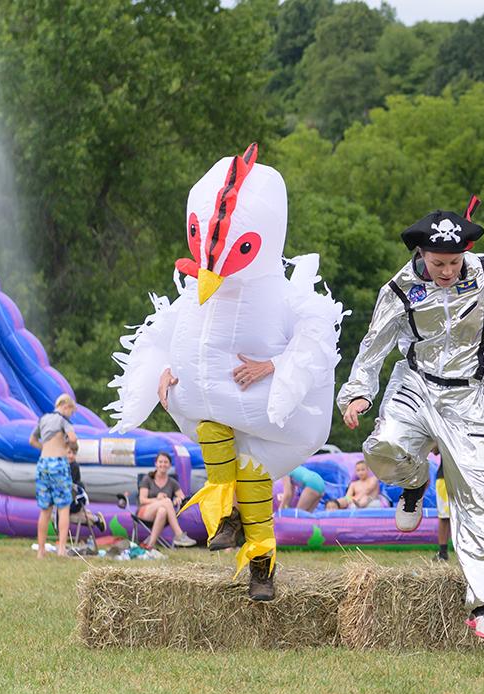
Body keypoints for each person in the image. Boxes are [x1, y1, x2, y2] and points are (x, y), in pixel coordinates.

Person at [109, 145, 343, 602]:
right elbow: (163, 332)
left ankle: (260, 564)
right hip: (216, 413)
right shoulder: (201, 291)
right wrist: (162, 372)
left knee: (255, 476)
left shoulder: (281, 296)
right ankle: (226, 511)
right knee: (216, 433)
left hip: (277, 417)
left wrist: (273, 366)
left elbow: (317, 335)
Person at [338, 201, 484, 646]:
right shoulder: (401, 288)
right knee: (381, 447)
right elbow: (374, 344)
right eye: (438, 262)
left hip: (474, 396)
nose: (447, 271)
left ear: (467, 252)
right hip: (416, 384)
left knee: (477, 500)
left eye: (454, 262)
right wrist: (358, 391)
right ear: (421, 254)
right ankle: (414, 483)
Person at [29, 394, 79, 558]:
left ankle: (41, 551)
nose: (70, 415)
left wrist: (45, 447)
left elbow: (32, 440)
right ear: (66, 406)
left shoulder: (43, 419)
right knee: (63, 507)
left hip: (43, 464)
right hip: (58, 464)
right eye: (71, 412)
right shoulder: (63, 420)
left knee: (45, 509)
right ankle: (61, 549)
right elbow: (73, 438)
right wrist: (68, 444)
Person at [138, 451, 197, 548]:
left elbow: (182, 497)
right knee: (167, 501)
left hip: (161, 514)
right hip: (145, 511)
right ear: (156, 464)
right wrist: (158, 500)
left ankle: (150, 545)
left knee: (162, 510)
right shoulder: (147, 479)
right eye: (160, 462)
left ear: (169, 465)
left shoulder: (172, 482)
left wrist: (177, 499)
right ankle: (179, 535)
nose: (163, 464)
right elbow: (142, 500)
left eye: (166, 462)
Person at [66, 448, 106, 534]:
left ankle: (95, 519)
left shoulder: (73, 466)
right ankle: (94, 518)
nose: (71, 456)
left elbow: (69, 484)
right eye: (69, 453)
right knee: (71, 515)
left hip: (74, 498)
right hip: (69, 500)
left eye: (74, 453)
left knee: (68, 514)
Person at [434, 456, 451, 561]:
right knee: (444, 516)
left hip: (465, 476)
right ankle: (443, 552)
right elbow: (435, 450)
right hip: (444, 476)